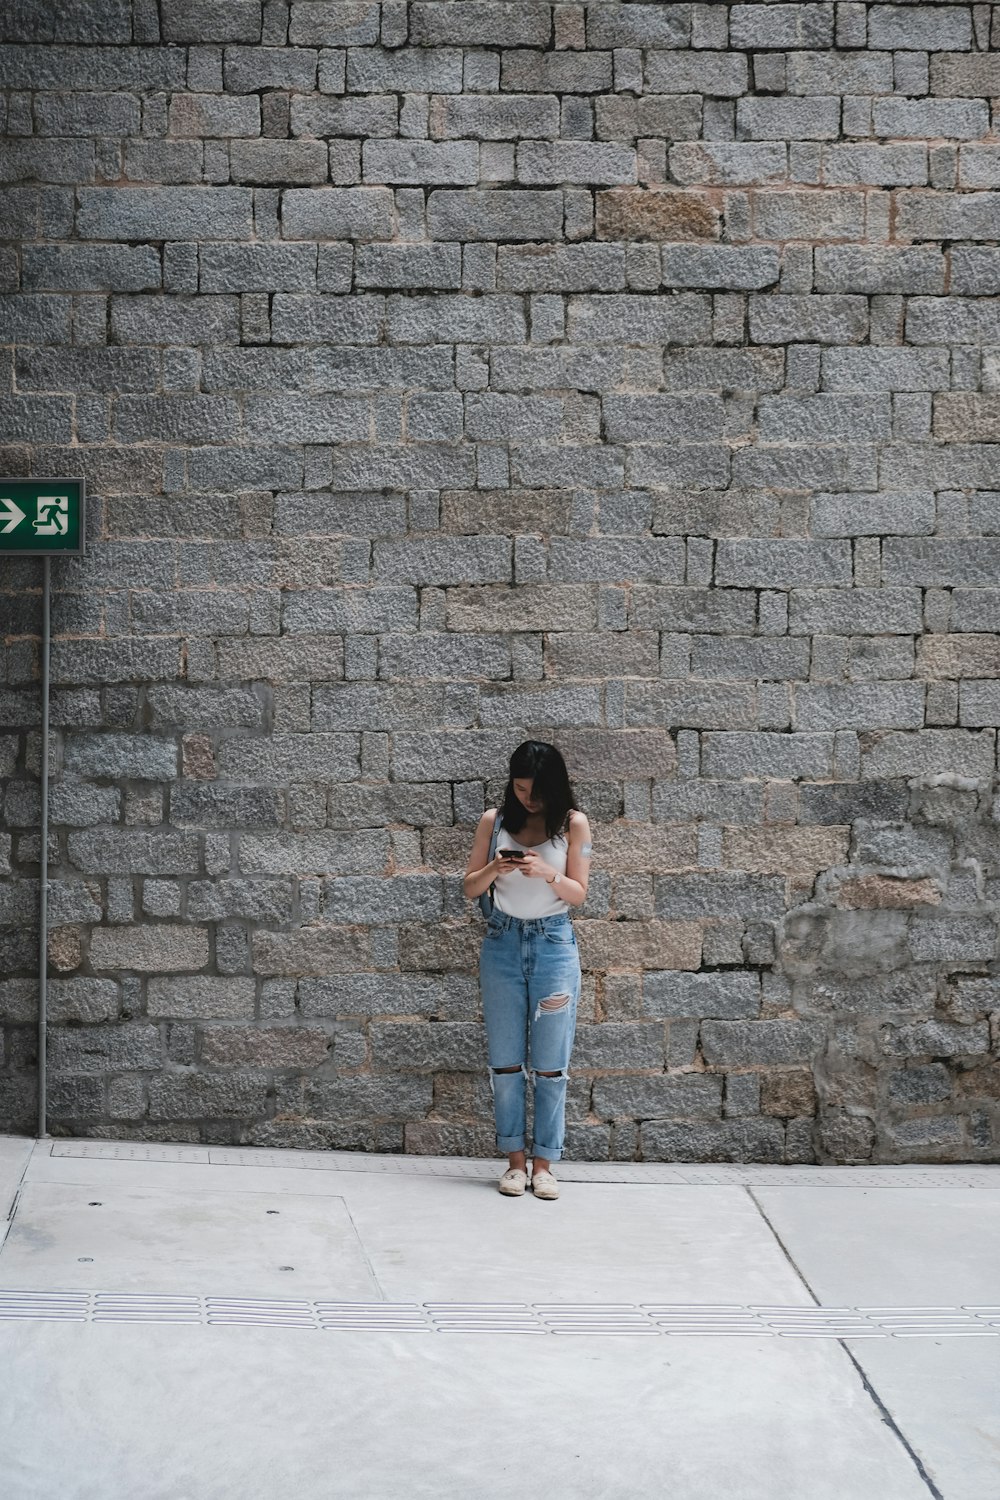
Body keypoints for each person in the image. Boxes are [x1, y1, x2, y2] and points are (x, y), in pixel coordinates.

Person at [462, 740, 593, 1200]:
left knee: (552, 1064)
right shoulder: (493, 822)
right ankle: (514, 1163)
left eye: (535, 791)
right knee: (505, 1062)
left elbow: (579, 894)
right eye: (519, 789)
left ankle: (545, 1165)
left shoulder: (573, 824)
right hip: (502, 943)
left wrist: (548, 874)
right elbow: (468, 887)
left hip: (554, 945)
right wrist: (496, 868)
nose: (527, 799)